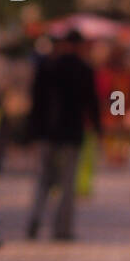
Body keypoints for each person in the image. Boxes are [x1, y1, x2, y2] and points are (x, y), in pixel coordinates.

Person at [26, 29, 102, 240]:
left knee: (42, 180)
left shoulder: (47, 66)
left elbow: (36, 102)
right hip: (71, 133)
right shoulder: (84, 69)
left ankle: (35, 218)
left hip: (47, 133)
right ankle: (62, 229)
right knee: (67, 184)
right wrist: (97, 128)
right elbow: (91, 102)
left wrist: (32, 132)